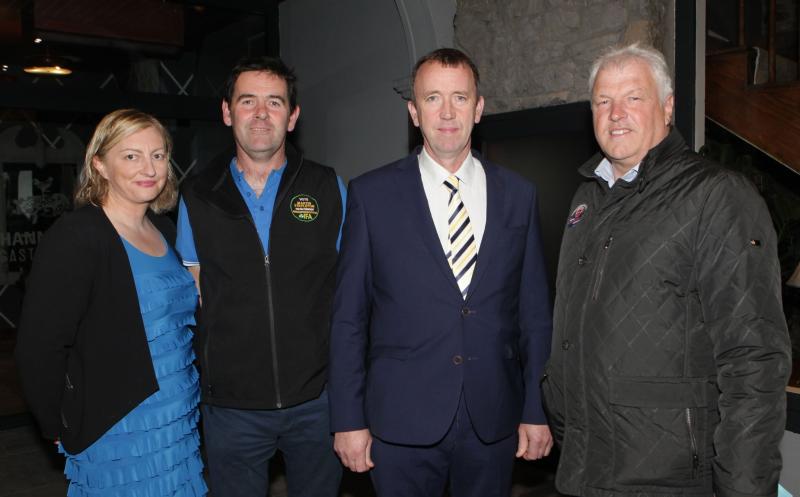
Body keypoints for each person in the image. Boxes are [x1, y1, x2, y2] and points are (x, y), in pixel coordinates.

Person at [544, 43, 792, 497]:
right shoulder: (587, 201)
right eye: (603, 101)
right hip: (584, 470)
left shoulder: (717, 197)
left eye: (633, 97)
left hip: (668, 479)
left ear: (668, 106)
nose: (616, 113)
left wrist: (744, 489)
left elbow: (753, 360)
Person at [329, 47, 553, 497]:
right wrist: (348, 420)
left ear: (479, 107)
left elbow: (534, 313)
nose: (447, 112)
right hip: (399, 422)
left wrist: (536, 408)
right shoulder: (371, 196)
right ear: (414, 112)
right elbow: (349, 319)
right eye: (432, 98)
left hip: (493, 417)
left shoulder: (518, 195)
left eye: (460, 97)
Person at [176, 56, 345, 497]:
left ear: (292, 117)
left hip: (319, 402)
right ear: (227, 112)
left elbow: (354, 293)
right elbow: (191, 298)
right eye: (247, 101)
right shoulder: (197, 196)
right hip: (231, 408)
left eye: (274, 102)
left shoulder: (329, 188)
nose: (261, 113)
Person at [16, 109, 206, 497]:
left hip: (177, 416)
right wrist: (58, 423)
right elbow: (39, 347)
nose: (148, 167)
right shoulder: (79, 235)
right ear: (100, 164)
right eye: (131, 155)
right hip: (118, 425)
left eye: (157, 155)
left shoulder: (166, 230)